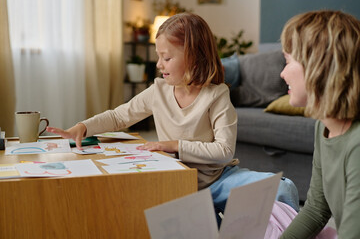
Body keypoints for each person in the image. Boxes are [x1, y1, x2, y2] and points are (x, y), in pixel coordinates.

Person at [47, 12, 299, 223]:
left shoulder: (217, 95)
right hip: (176, 183)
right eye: (159, 56)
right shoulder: (158, 91)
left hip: (218, 180)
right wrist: (83, 126)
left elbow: (223, 150)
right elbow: (119, 116)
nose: (159, 64)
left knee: (284, 187)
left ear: (195, 57)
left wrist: (174, 145)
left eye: (167, 58)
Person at [279, 10, 360, 238]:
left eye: (288, 61)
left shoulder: (357, 144)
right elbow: (316, 209)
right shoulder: (323, 126)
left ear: (319, 65)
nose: (283, 73)